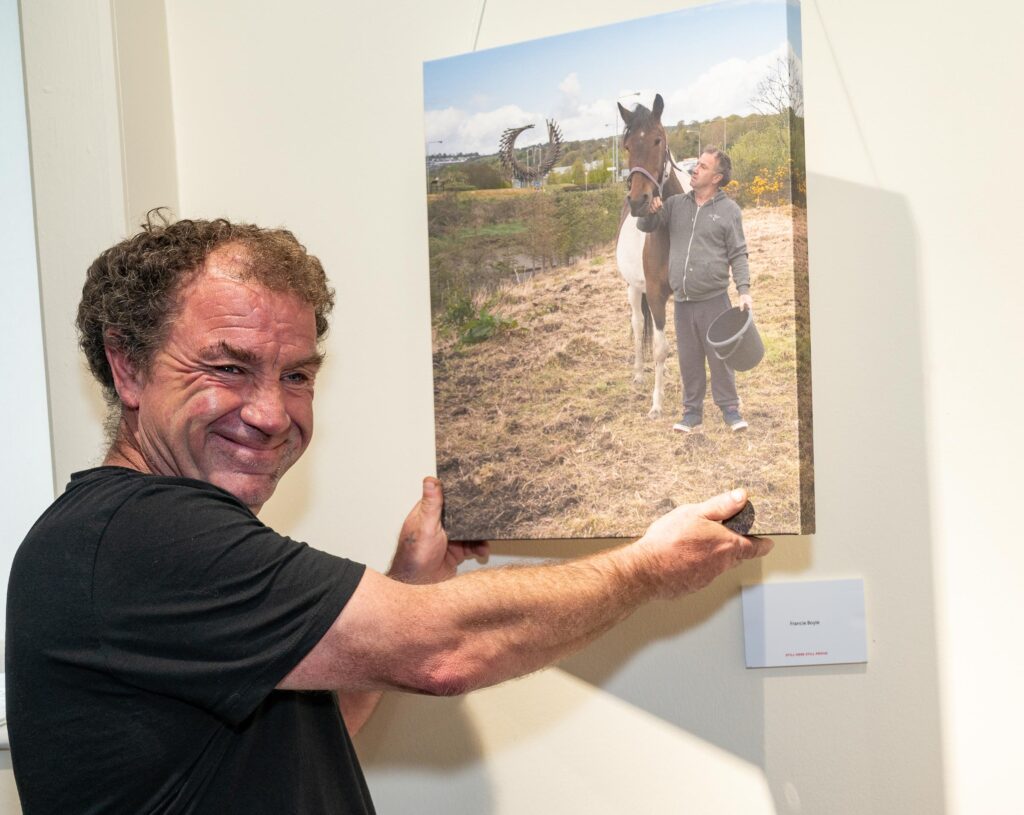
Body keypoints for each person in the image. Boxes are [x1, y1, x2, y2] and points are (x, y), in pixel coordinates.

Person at [6, 214, 773, 814]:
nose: (271, 413)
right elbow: (442, 653)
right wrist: (645, 568)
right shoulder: (140, 534)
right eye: (229, 366)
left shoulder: (149, 535)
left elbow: (302, 744)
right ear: (127, 365)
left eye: (296, 375)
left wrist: (409, 585)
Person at [638, 146, 753, 433]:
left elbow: (738, 253)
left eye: (702, 166)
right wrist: (649, 211)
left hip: (714, 300)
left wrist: (744, 290)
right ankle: (691, 413)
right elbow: (646, 225)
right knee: (689, 360)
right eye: (696, 164)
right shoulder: (676, 205)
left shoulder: (729, 211)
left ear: (716, 177)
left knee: (720, 357)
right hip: (683, 301)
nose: (694, 169)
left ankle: (730, 410)